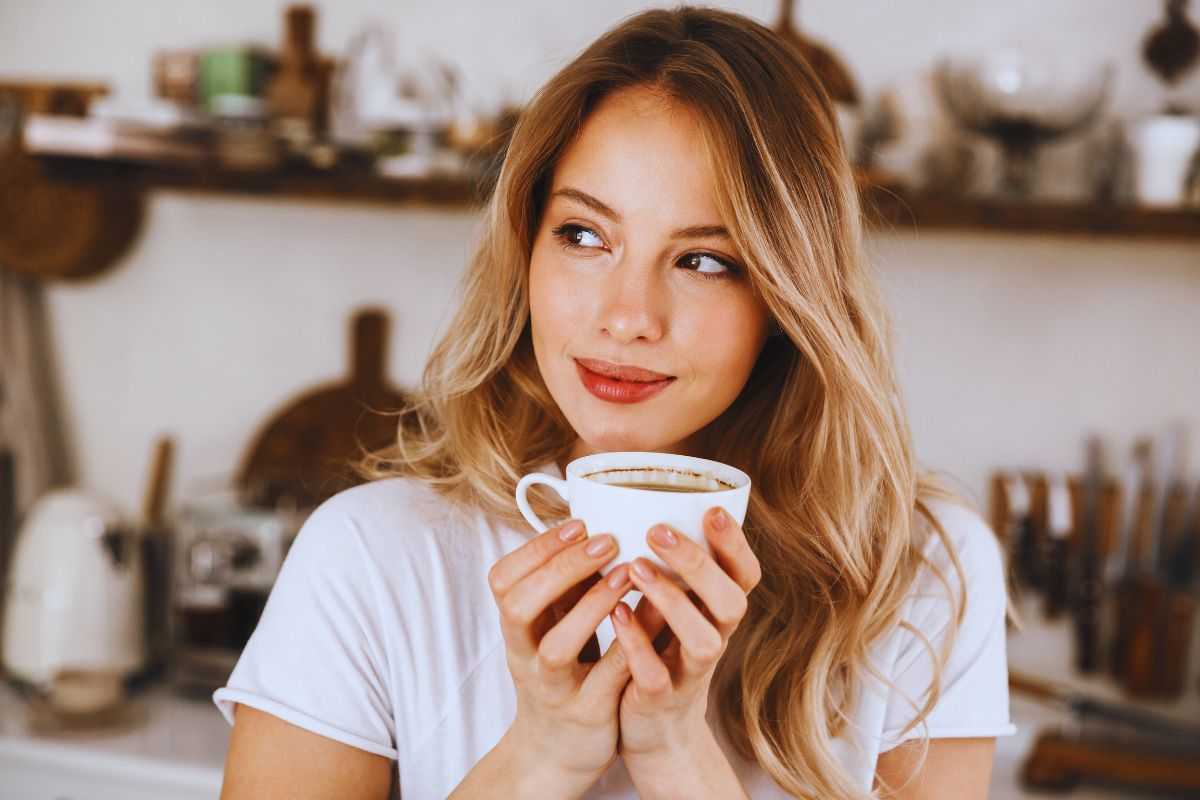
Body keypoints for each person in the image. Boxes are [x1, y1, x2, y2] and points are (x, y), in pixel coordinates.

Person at [215, 6, 1015, 799]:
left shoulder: (920, 575)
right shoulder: (369, 558)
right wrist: (544, 755)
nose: (628, 317)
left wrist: (676, 753)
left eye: (703, 260)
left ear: (785, 299)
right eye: (586, 237)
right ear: (526, 247)